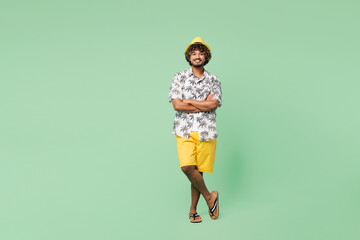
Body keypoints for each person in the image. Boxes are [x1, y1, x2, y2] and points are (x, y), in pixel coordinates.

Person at [168, 37, 222, 223]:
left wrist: (189, 101)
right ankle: (209, 197)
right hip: (184, 129)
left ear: (206, 57)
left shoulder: (214, 80)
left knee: (198, 172)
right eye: (194, 53)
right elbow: (177, 105)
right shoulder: (179, 77)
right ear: (188, 56)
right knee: (187, 168)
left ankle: (193, 210)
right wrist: (203, 104)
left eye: (201, 53)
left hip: (206, 130)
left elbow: (214, 104)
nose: (197, 56)